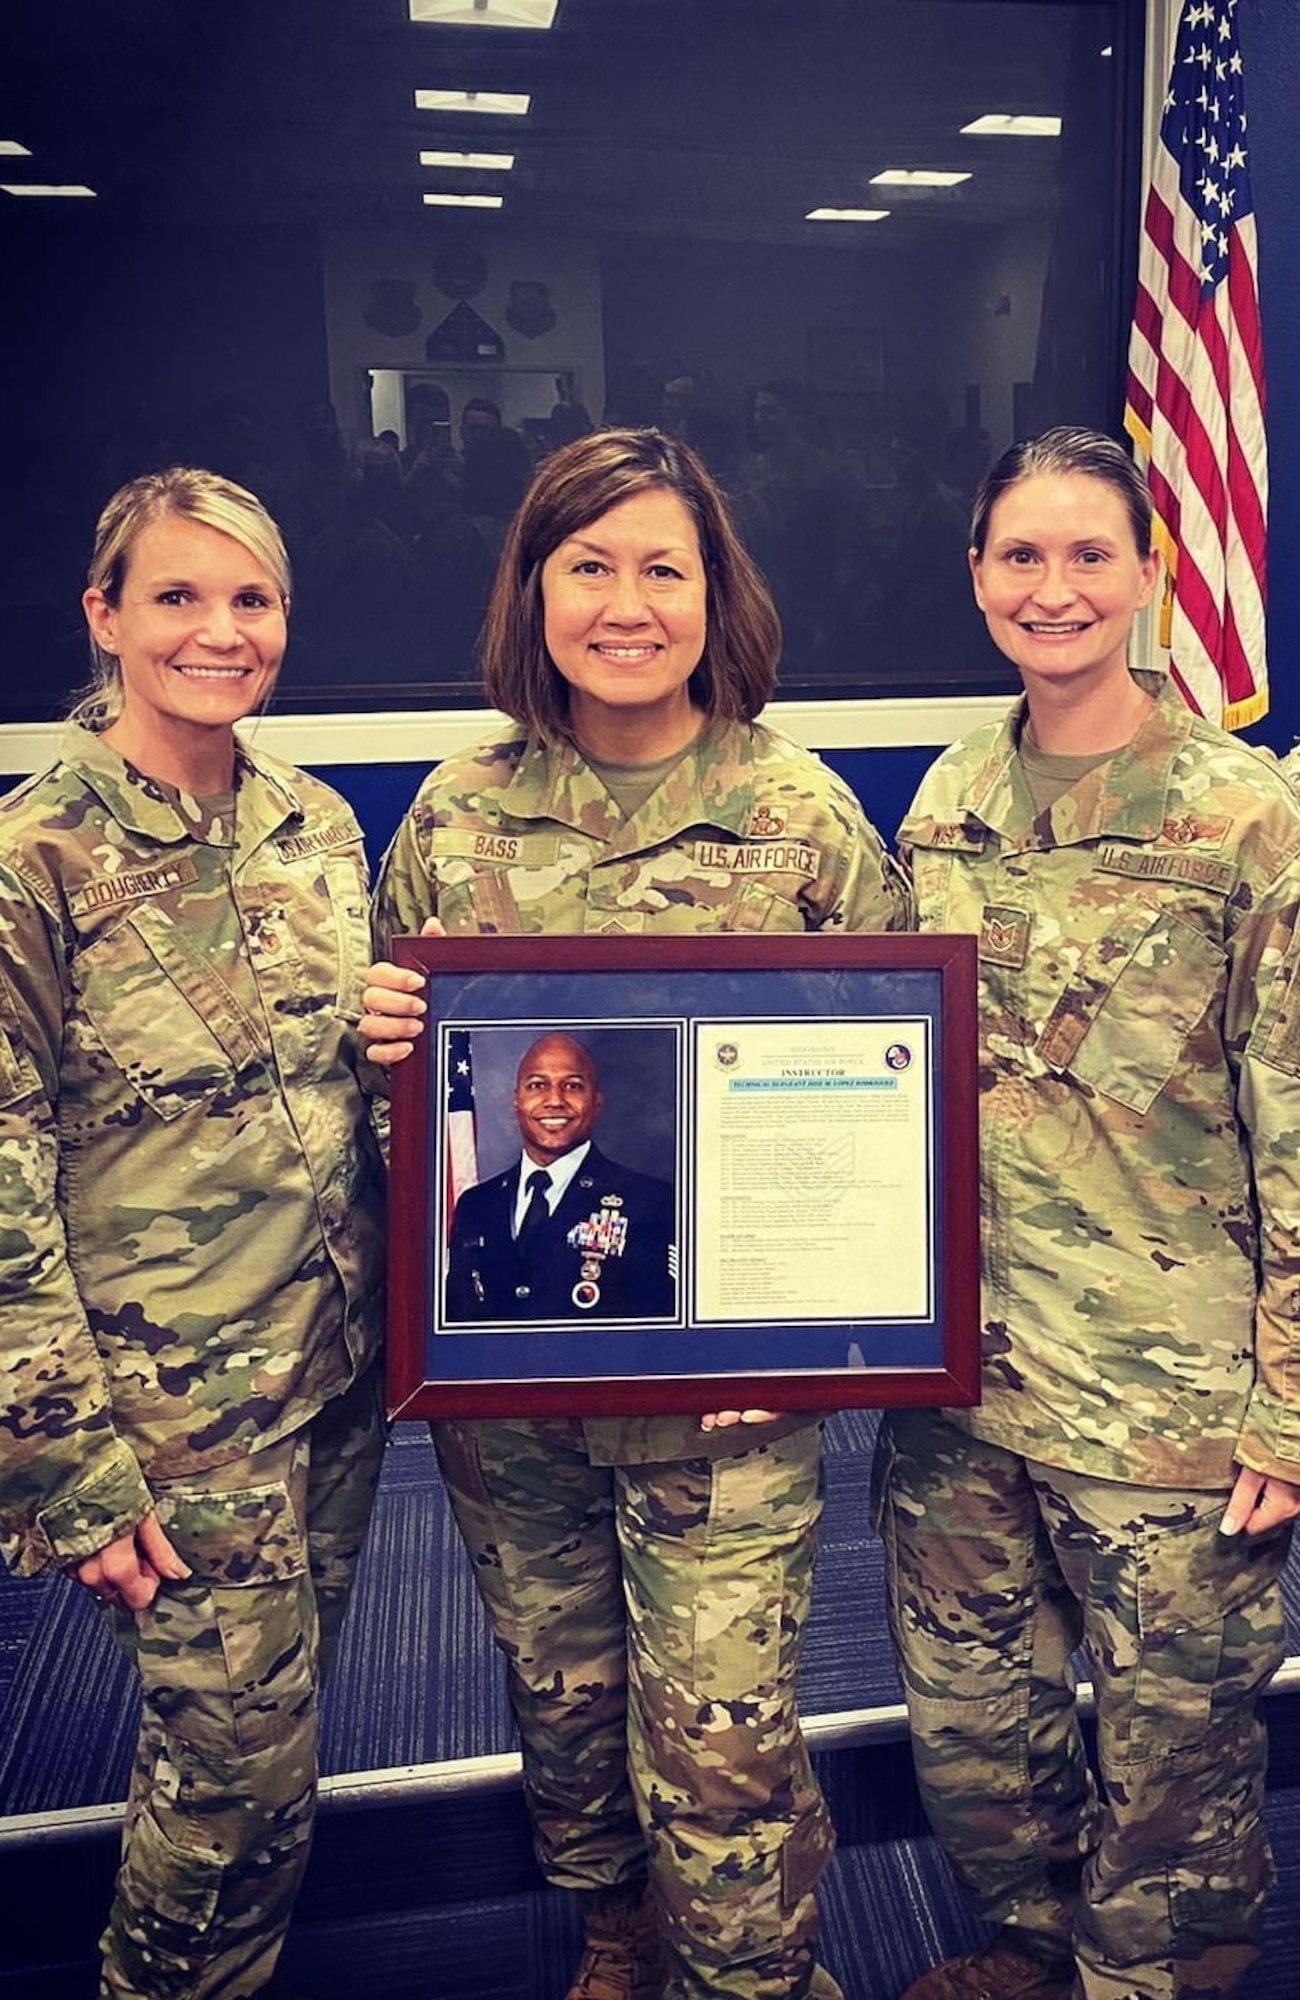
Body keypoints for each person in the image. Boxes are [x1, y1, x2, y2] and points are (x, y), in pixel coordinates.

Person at [363, 426, 907, 2000]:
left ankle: (758, 1970)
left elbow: (901, 1100)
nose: (625, 603)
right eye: (586, 566)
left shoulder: (798, 814)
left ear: (712, 593)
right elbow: (405, 1112)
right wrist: (386, 1042)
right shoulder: (455, 818)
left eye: (661, 567)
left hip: (727, 1408)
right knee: (567, 1707)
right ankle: (613, 1927)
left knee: (725, 1754)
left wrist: (817, 1335)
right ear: (532, 592)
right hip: (516, 1396)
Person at [875, 427, 1300, 2000]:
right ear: (979, 574)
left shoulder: (1242, 821)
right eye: (1020, 557)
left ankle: (1147, 1979)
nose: (1053, 589)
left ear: (1148, 573)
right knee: (975, 1732)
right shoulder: (948, 799)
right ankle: (1035, 1948)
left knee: (1174, 1755)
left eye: (1088, 555)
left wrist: (1292, 1398)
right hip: (961, 1385)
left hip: (1168, 1401)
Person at [0, 466, 387, 2000]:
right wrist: (66, 1468)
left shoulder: (315, 824)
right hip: (168, 1422)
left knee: (269, 1748)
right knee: (232, 1784)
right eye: (175, 596)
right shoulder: (35, 860)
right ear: (103, 615)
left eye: (249, 600)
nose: (218, 632)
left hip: (332, 1378)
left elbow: (336, 1093)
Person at [446, 1030, 676, 1323]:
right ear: (516, 1101)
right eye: (537, 1085)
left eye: (573, 1086)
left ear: (596, 1102)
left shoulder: (651, 1202)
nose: (554, 1100)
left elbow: (657, 1333)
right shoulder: (476, 1205)